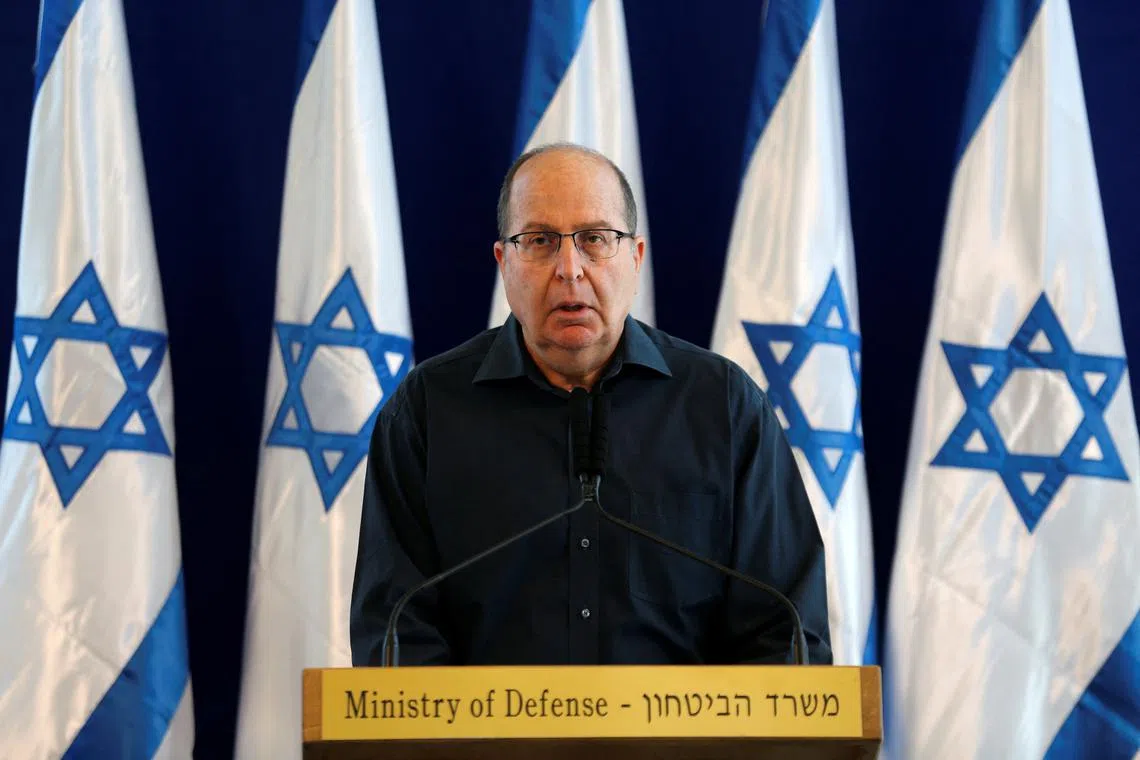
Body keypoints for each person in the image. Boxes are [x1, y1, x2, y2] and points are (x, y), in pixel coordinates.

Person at [349, 142, 831, 666]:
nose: (570, 269)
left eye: (595, 239)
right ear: (503, 261)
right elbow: (395, 637)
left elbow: (785, 635)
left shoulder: (725, 408)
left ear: (636, 257)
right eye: (538, 241)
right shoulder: (426, 412)